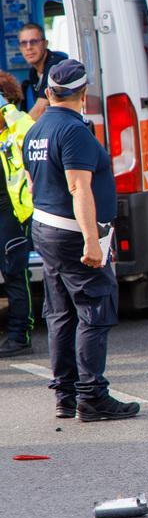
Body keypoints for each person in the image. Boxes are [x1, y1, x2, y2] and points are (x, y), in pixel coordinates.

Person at [25, 59, 139, 421]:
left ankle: (65, 395)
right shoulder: (73, 132)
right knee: (94, 309)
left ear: (48, 93)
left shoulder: (36, 129)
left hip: (46, 229)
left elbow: (32, 184)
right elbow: (79, 187)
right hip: (74, 234)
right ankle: (92, 396)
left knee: (60, 313)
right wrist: (92, 239)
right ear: (84, 94)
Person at [0, 72, 35, 356]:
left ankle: (19, 335)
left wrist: (7, 111)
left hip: (12, 215)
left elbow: (28, 131)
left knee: (14, 274)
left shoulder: (17, 127)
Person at [18, 23, 68, 121]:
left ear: (45, 43)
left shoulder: (56, 66)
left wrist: (15, 132)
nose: (28, 47)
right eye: (24, 43)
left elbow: (41, 109)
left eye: (34, 42)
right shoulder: (33, 72)